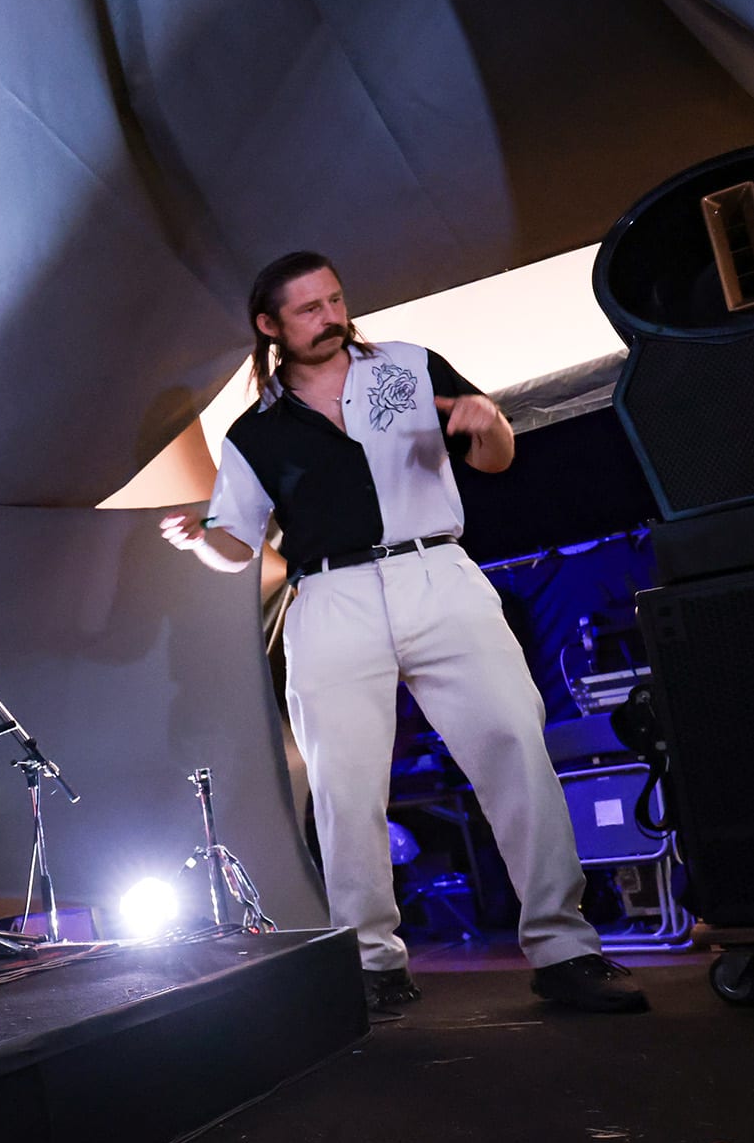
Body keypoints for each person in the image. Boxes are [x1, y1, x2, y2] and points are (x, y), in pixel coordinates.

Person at [160, 250, 645, 1017]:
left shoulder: (410, 366)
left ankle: (564, 950)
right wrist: (199, 539)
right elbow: (238, 545)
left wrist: (488, 425)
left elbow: (494, 459)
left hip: (436, 571)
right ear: (269, 325)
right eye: (309, 308)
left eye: (334, 299)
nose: (330, 316)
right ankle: (371, 964)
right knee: (344, 788)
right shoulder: (253, 432)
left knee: (513, 749)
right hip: (330, 597)